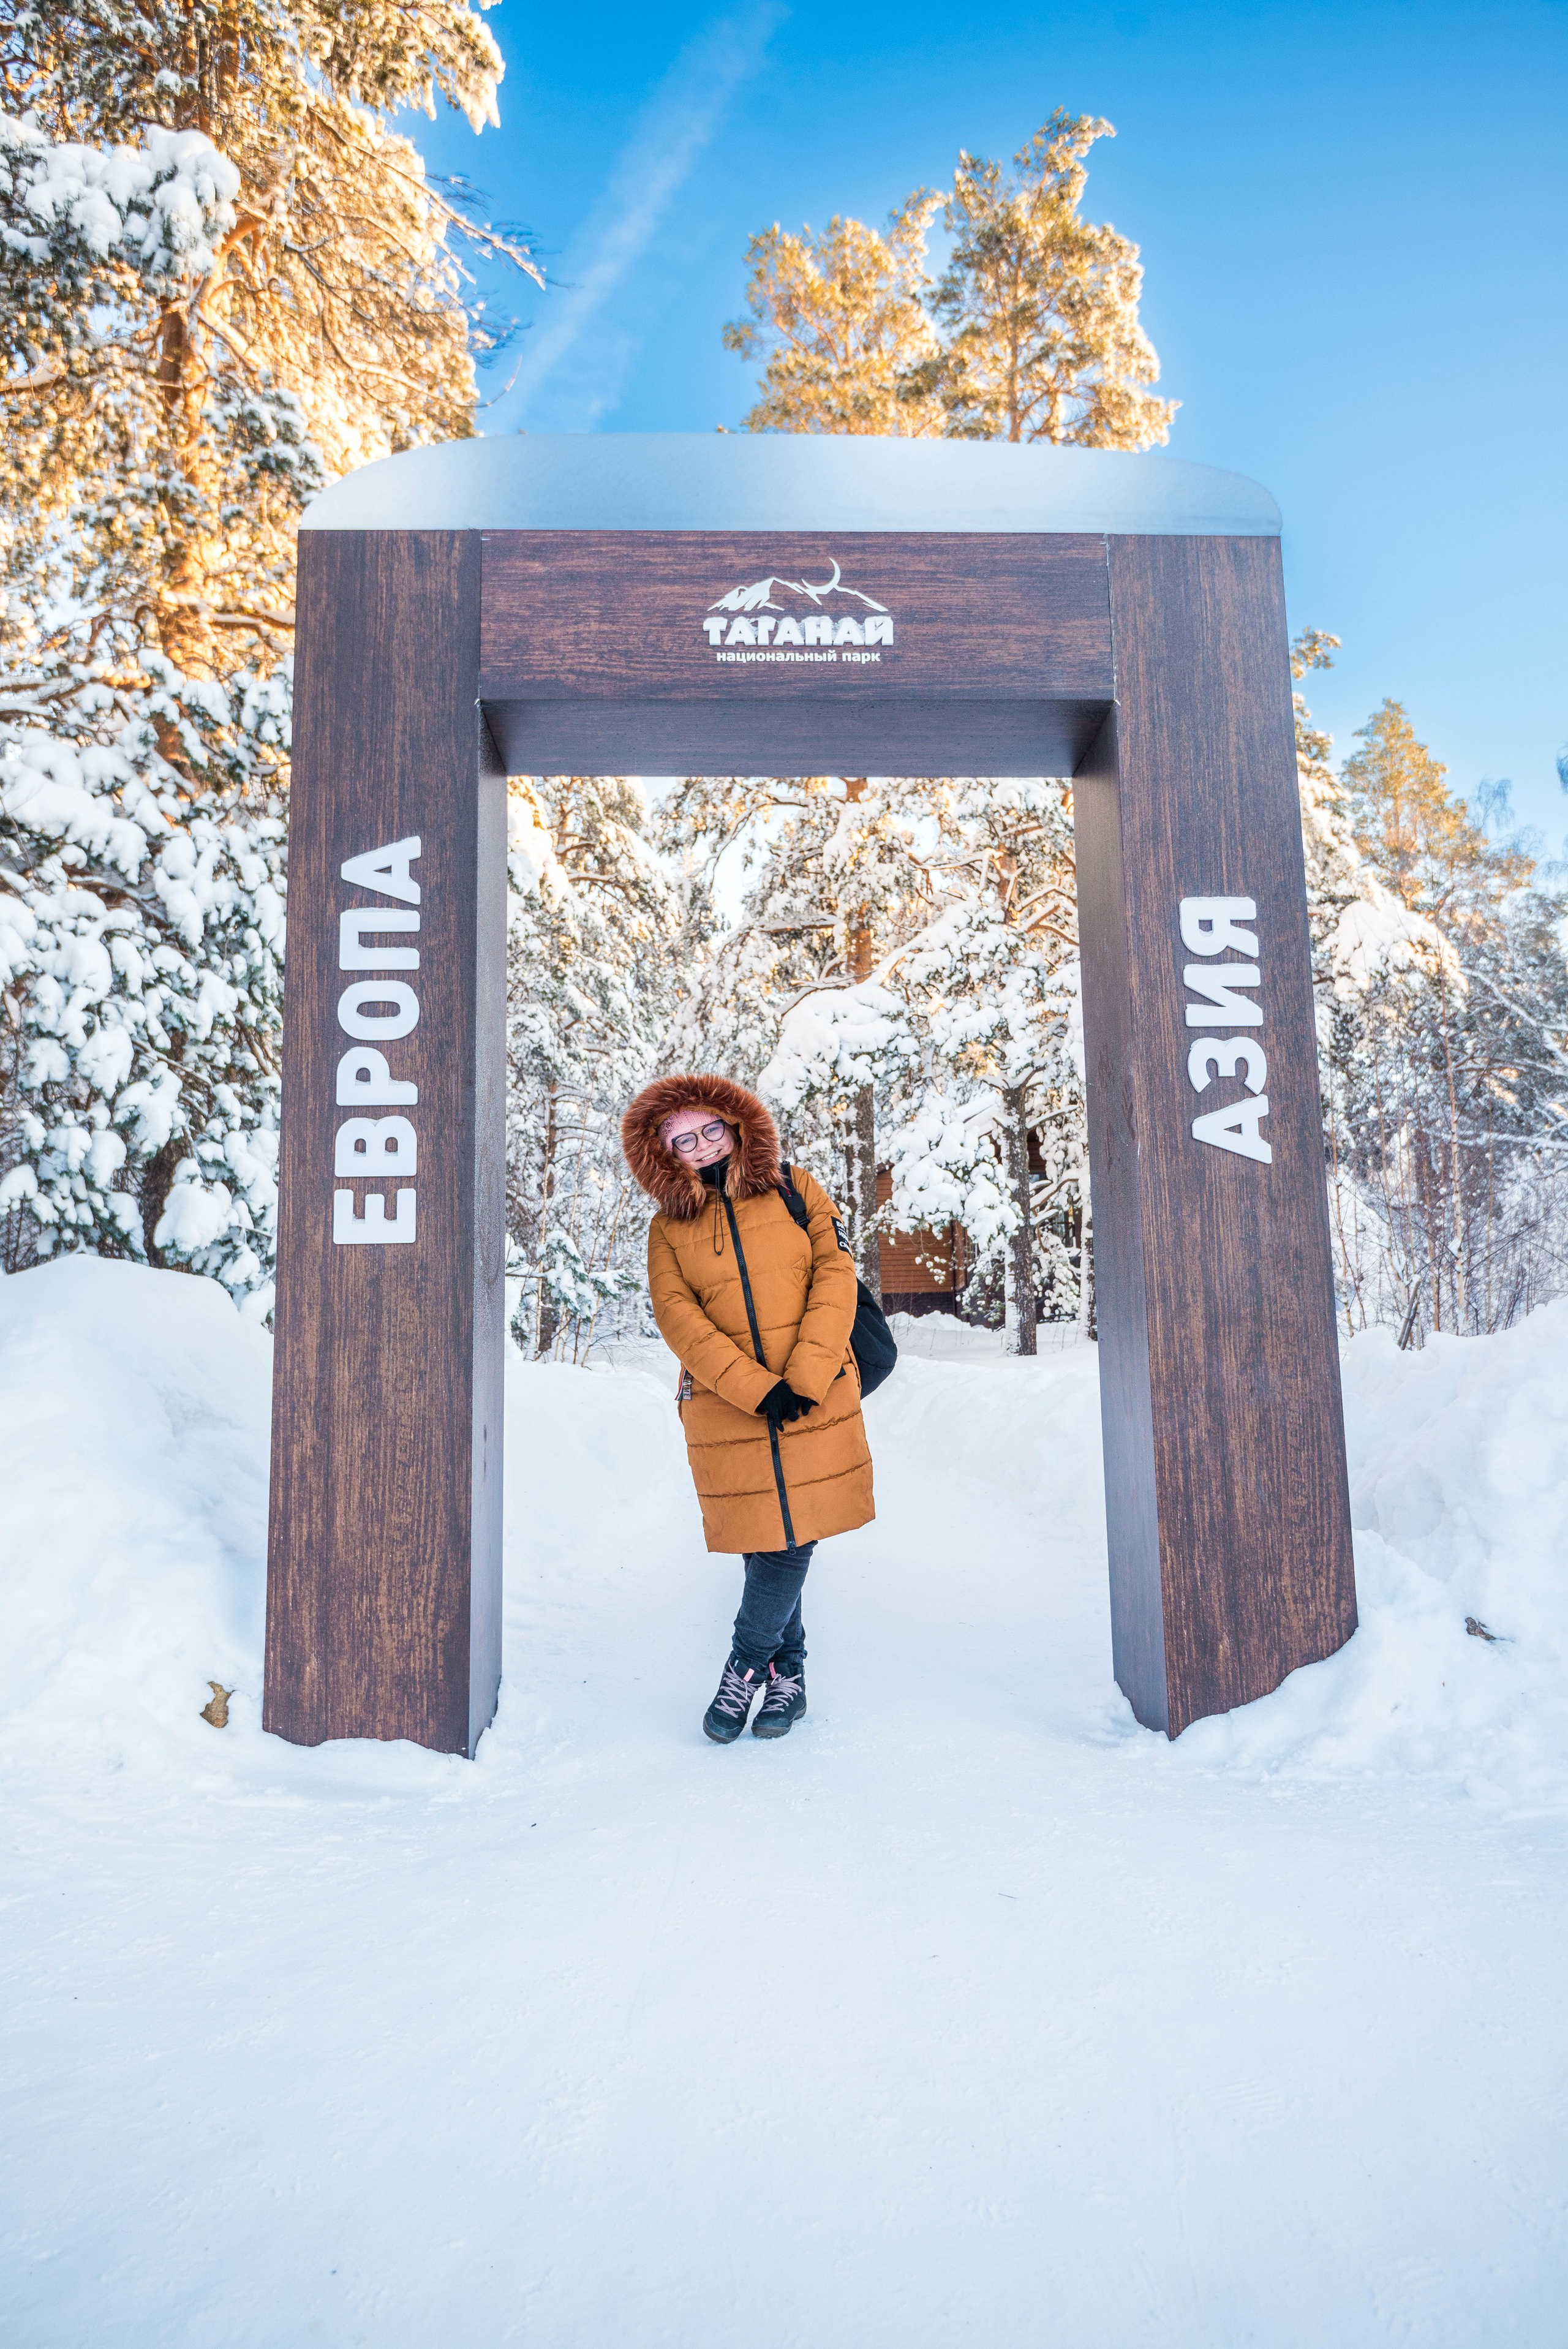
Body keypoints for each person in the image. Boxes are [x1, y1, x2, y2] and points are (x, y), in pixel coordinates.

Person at [620, 1074, 875, 1743]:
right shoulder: (666, 1230)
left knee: (793, 1535)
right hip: (729, 1406)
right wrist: (757, 1388)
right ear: (664, 1153)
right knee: (766, 1534)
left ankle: (743, 1665)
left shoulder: (796, 1188)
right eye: (683, 1140)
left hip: (813, 1389)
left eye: (711, 1130)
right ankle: (786, 1674)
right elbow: (680, 1321)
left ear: (735, 1128)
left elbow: (835, 1275)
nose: (701, 1146)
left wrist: (805, 1375)